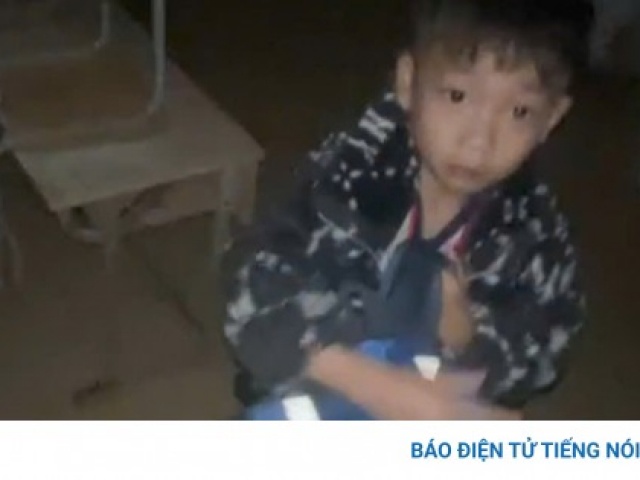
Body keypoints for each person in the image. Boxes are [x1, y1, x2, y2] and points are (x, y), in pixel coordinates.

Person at [220, 0, 594, 420]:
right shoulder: (345, 178)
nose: (479, 142)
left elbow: (547, 353)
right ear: (407, 81)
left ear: (552, 117)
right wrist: (376, 386)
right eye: (457, 96)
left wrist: (473, 339)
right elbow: (248, 295)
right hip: (318, 393)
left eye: (520, 112)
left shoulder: (534, 235)